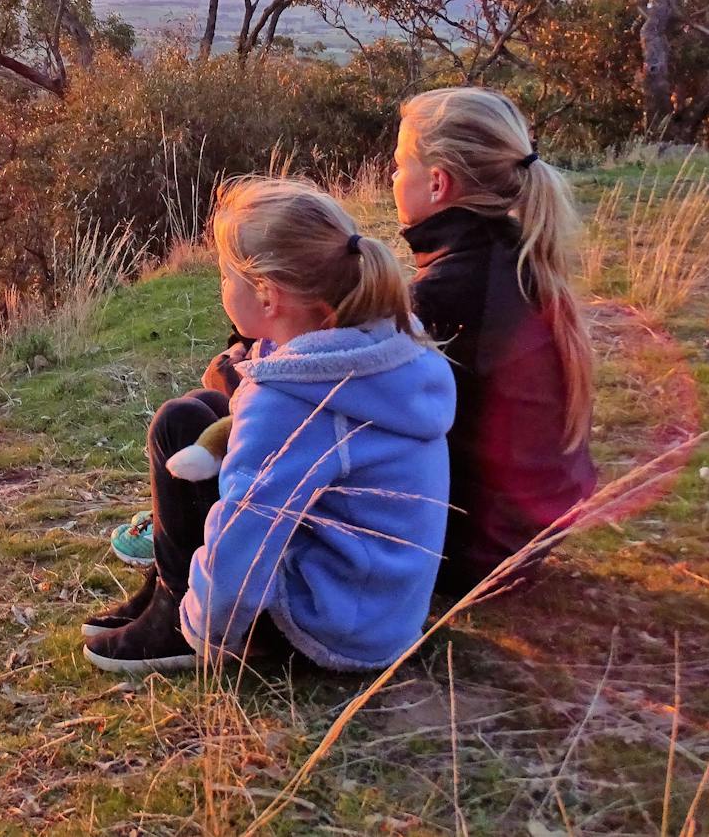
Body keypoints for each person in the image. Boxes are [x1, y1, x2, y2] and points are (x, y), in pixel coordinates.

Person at [83, 177, 456, 674]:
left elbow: (248, 527)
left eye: (224, 276)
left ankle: (177, 620)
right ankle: (167, 587)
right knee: (193, 415)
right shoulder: (375, 350)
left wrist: (206, 627)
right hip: (376, 604)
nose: (219, 288)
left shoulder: (289, 402)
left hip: (330, 627)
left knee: (180, 424)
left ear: (266, 296)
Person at [394, 87, 596, 596]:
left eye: (400, 165)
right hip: (519, 538)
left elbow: (356, 412)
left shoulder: (447, 291)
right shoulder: (519, 259)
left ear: (437, 183)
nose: (393, 177)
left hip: (468, 553)